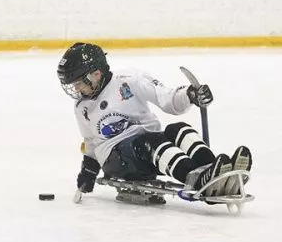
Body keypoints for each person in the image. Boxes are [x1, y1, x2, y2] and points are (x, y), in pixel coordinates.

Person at [57, 42, 252, 199]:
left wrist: (190, 95)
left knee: (178, 129)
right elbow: (91, 143)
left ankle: (213, 170)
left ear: (96, 73)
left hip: (146, 147)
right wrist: (88, 174)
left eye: (80, 83)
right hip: (115, 159)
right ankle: (198, 180)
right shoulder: (82, 107)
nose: (77, 89)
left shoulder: (128, 79)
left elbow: (166, 98)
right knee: (150, 142)